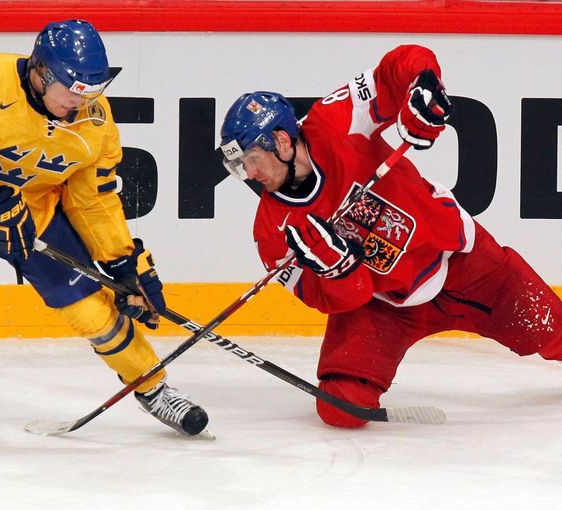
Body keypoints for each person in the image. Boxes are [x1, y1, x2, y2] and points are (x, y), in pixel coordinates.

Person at [218, 44, 562, 428]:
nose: (248, 174)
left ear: (281, 142)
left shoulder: (335, 121)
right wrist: (339, 272)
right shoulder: (272, 232)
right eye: (240, 165)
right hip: (385, 308)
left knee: (552, 328)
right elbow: (334, 299)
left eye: (250, 159)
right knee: (340, 407)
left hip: (466, 265)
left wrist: (421, 86)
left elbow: (398, 66)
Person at [0, 19, 208, 436]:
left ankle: (153, 388)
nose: (82, 104)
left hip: (31, 213)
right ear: (40, 73)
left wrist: (123, 263)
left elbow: (93, 200)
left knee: (92, 311)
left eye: (93, 91)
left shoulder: (93, 120)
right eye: (73, 91)